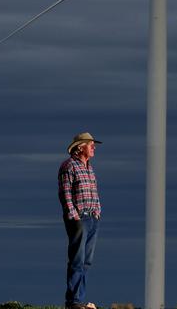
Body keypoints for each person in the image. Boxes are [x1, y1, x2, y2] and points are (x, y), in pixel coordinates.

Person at [58, 132, 103, 309]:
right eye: (90, 144)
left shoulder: (89, 168)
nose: (94, 147)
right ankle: (73, 301)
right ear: (79, 147)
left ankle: (79, 299)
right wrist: (73, 214)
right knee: (77, 259)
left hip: (92, 217)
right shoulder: (68, 166)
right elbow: (65, 192)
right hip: (79, 218)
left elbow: (94, 192)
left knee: (86, 261)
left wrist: (98, 210)